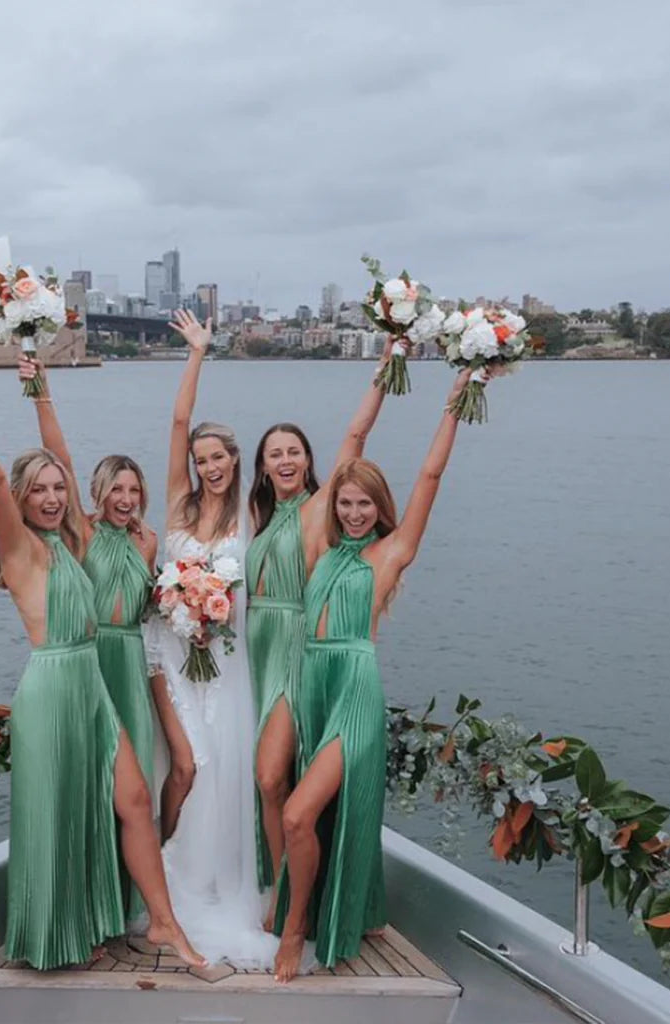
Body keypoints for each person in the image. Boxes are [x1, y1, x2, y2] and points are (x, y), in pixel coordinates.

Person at [0, 391, 203, 971]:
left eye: (60, 488)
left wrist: (46, 394)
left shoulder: (75, 542)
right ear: (21, 498)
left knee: (133, 801)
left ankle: (162, 922)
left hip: (94, 687)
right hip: (53, 689)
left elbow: (63, 455)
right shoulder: (20, 549)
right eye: (40, 489)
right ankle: (58, 935)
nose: (54, 498)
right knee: (59, 815)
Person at [273, 370, 474, 983]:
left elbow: (431, 477)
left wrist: (456, 404)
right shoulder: (321, 551)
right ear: (333, 504)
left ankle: (294, 930)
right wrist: (388, 364)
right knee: (321, 816)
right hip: (313, 685)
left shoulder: (391, 552)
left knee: (296, 816)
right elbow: (350, 441)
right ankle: (352, 911)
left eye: (366, 504)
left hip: (355, 694)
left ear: (380, 509)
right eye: (346, 503)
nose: (356, 513)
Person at [246, 345, 395, 928]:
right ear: (262, 466)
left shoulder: (316, 511)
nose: (284, 459)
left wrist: (384, 371)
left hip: (293, 652)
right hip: (255, 655)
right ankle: (284, 893)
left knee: (268, 776)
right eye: (273, 453)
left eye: (294, 451)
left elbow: (356, 437)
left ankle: (290, 907)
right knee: (268, 781)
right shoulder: (260, 518)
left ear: (308, 461)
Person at [147, 309, 278, 965]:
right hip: (171, 660)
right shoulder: (177, 503)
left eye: (218, 457)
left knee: (219, 773)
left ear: (234, 458)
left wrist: (214, 610)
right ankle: (163, 888)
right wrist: (197, 352)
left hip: (224, 667)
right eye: (200, 460)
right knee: (183, 766)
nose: (208, 468)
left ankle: (201, 887)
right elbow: (176, 423)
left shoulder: (251, 513)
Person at [17, 355, 157, 920]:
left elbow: (147, 611)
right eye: (116, 489)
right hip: (90, 669)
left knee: (134, 792)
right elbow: (61, 459)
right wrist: (40, 392)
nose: (126, 498)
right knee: (92, 794)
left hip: (132, 664)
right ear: (98, 493)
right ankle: (91, 908)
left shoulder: (149, 543)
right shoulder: (82, 532)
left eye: (134, 489)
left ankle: (125, 909)